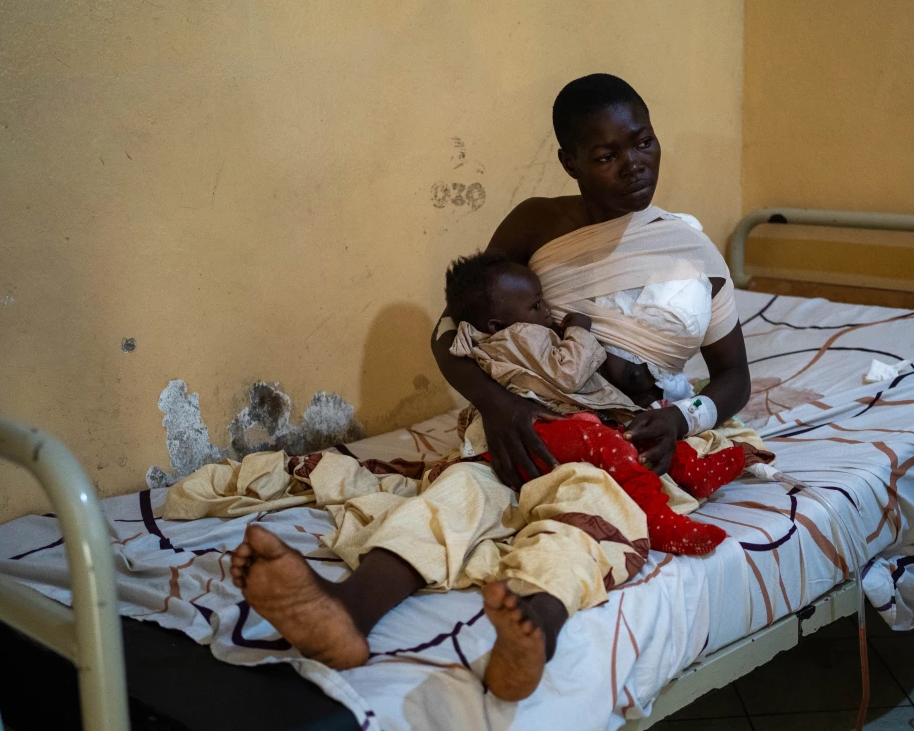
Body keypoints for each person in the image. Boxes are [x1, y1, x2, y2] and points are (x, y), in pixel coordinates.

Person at [230, 74, 752, 702]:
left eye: (643, 142)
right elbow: (454, 330)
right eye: (605, 155)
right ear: (570, 162)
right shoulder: (537, 223)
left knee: (589, 515)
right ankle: (348, 612)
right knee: (458, 494)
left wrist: (682, 420)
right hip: (525, 425)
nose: (633, 165)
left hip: (625, 437)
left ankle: (534, 631)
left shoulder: (693, 252)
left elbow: (735, 378)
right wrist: (500, 409)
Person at [443, 250, 748, 555]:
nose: (547, 311)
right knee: (610, 445)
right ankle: (656, 520)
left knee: (632, 433)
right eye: (536, 305)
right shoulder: (518, 337)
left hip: (555, 420)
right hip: (537, 427)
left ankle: (689, 469)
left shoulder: (506, 335)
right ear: (495, 325)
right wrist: (578, 330)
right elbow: (568, 374)